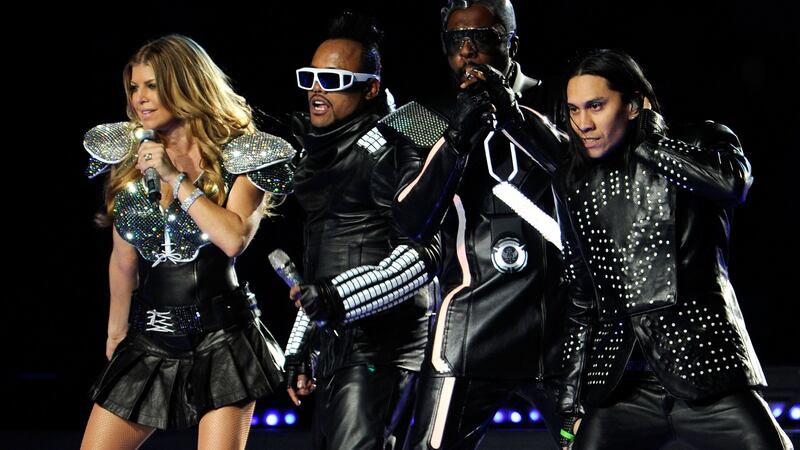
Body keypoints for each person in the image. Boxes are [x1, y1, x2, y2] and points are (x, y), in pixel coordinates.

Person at [555, 49, 793, 450]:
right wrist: (569, 409)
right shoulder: (573, 181)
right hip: (622, 387)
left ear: (632, 105)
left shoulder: (700, 140)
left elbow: (732, 185)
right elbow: (582, 298)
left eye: (595, 106)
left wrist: (649, 140)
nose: (583, 123)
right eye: (574, 110)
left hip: (706, 370)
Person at [80, 34, 294, 450]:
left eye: (153, 85)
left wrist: (176, 180)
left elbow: (233, 239)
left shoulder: (242, 155)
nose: (140, 98)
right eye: (134, 87)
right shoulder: (129, 156)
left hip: (223, 337)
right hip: (151, 336)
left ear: (186, 83)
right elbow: (122, 259)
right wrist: (115, 330)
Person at [391, 1, 568, 448]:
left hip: (560, 320)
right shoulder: (424, 115)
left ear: (512, 43)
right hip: (471, 321)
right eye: (455, 40)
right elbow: (411, 221)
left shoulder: (560, 99)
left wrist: (513, 118)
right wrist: (455, 141)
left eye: (483, 38)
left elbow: (582, 181)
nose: (467, 51)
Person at [282, 12, 441, 450]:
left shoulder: (403, 140)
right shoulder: (319, 157)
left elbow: (425, 254)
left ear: (371, 87)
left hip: (385, 354)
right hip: (338, 353)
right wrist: (302, 346)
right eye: (312, 76)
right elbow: (324, 268)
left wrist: (336, 298)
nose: (317, 88)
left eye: (333, 79)